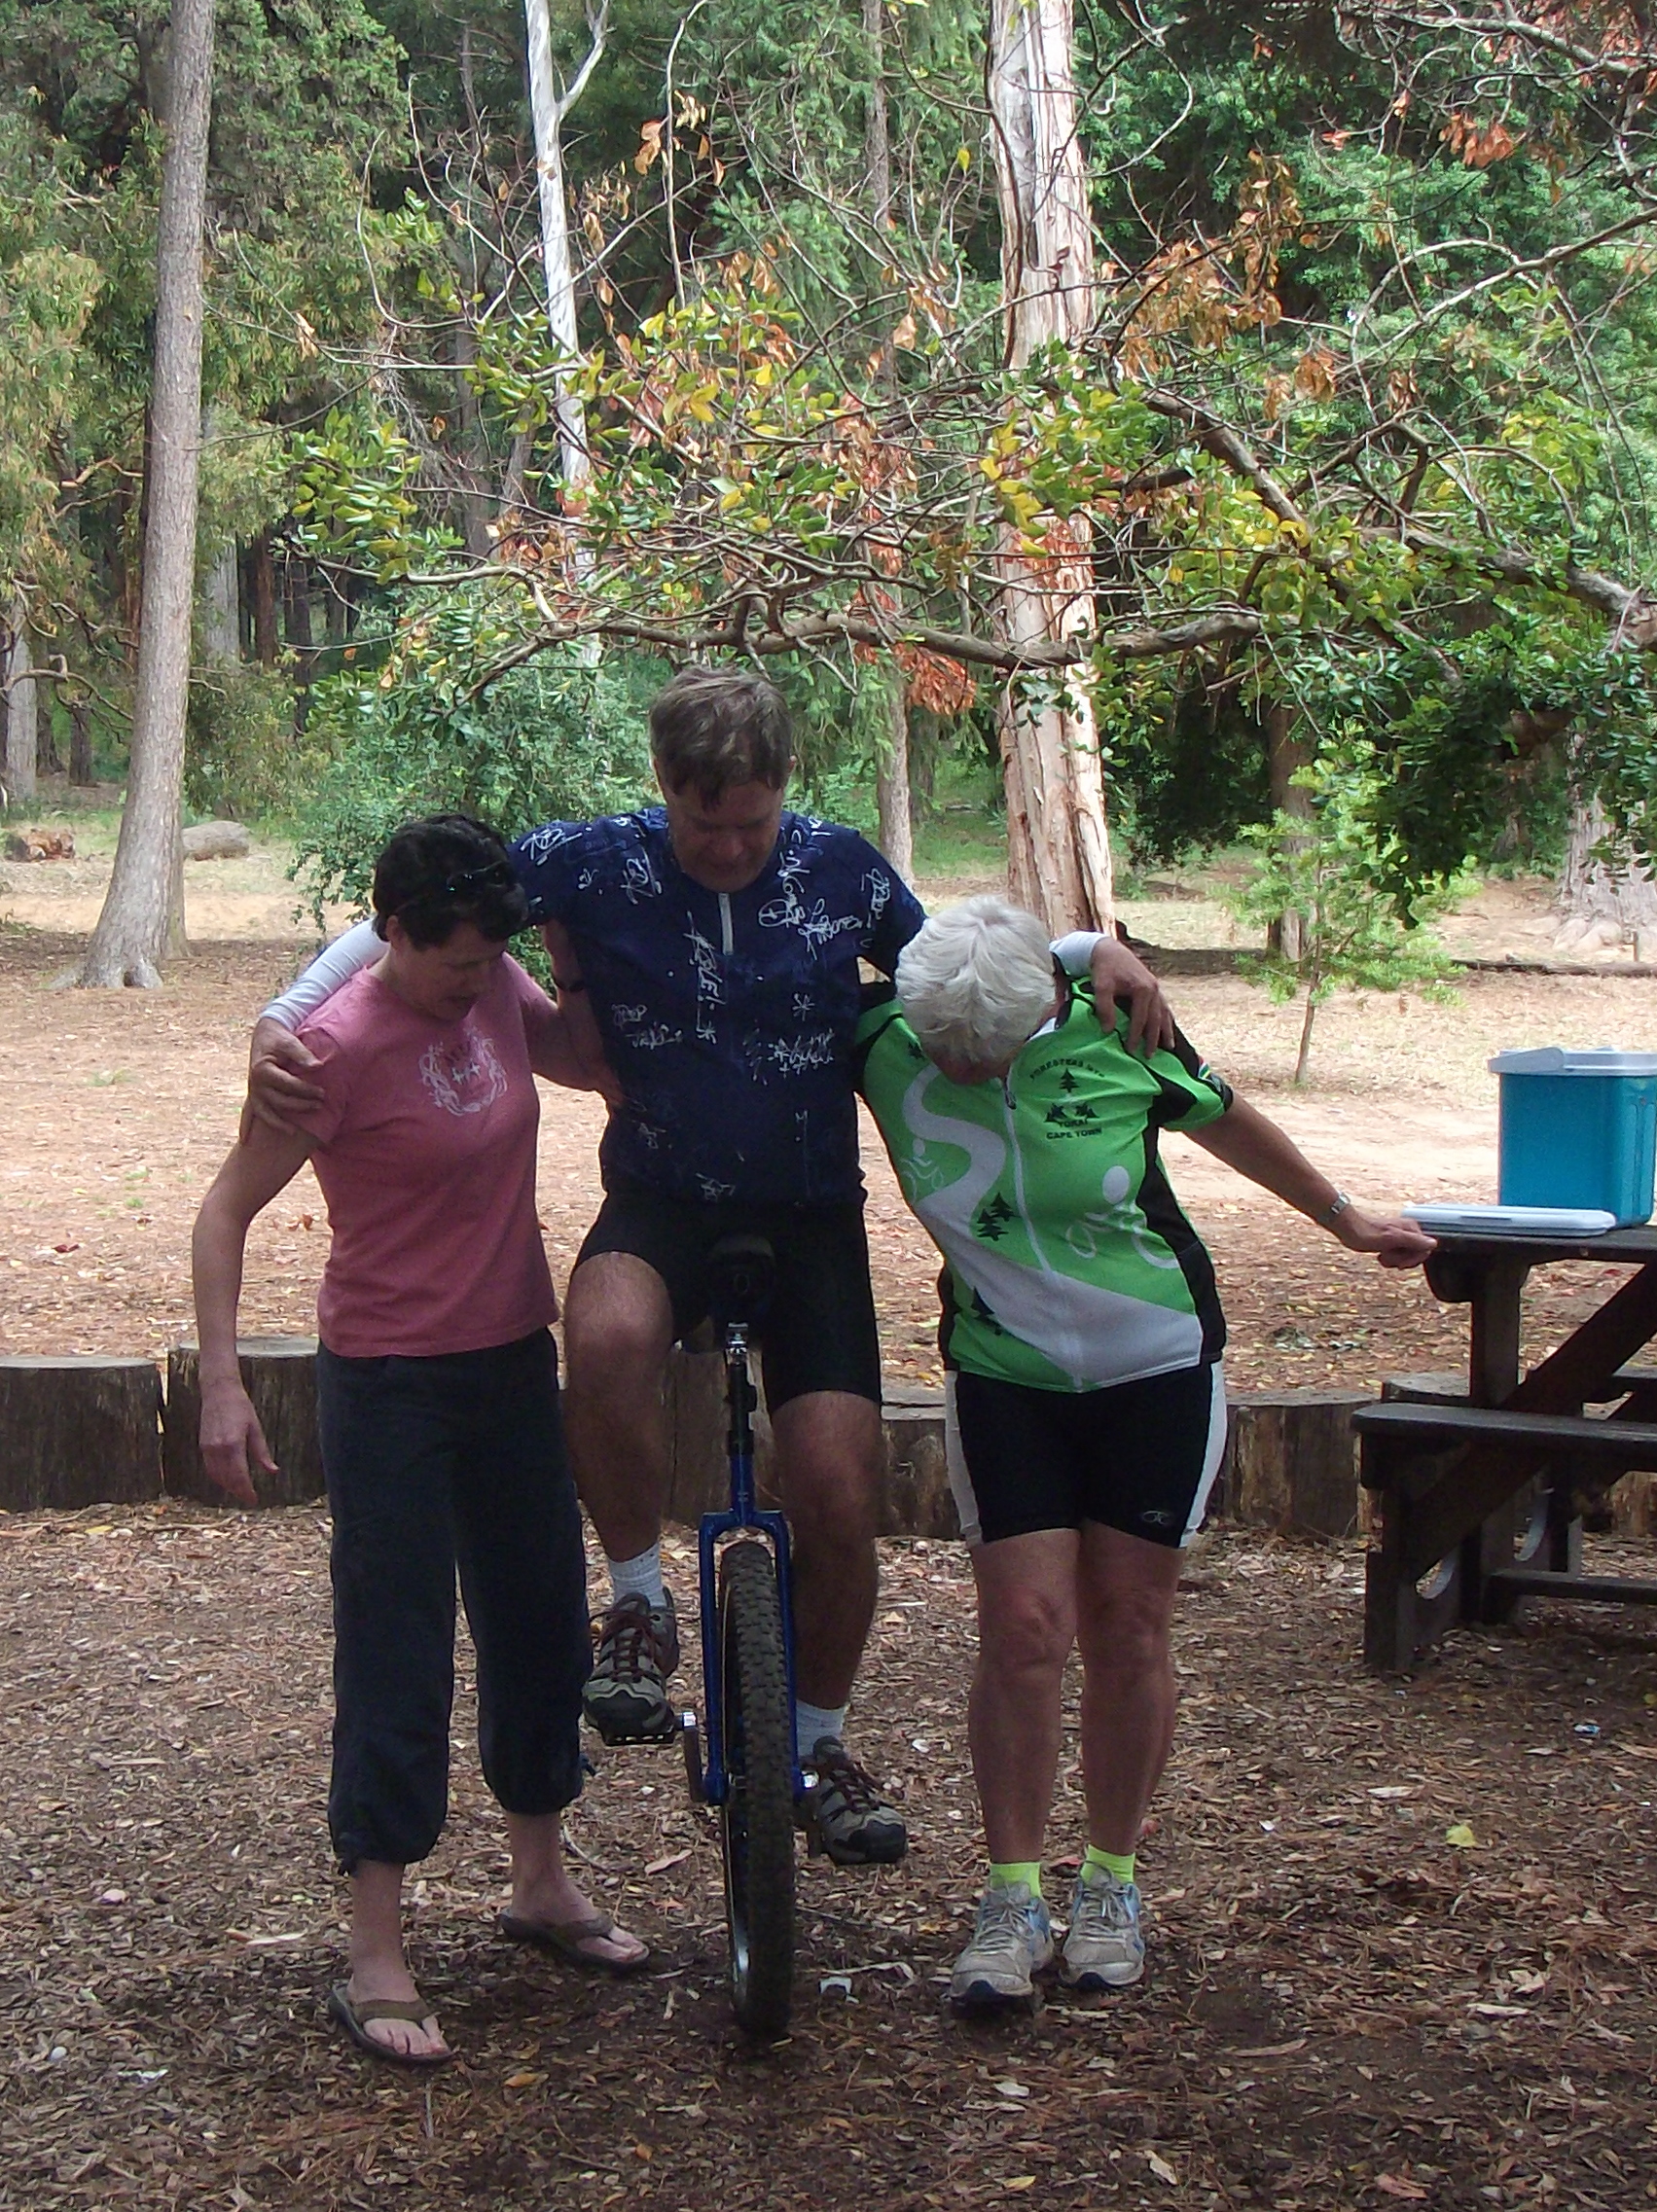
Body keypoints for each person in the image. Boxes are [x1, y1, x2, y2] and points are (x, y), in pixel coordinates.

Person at [247, 667, 1171, 1866]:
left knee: (837, 1487)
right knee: (607, 1334)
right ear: (663, 790)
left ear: (785, 791)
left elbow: (957, 961)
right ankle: (639, 1596)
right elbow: (426, 905)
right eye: (703, 824)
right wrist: (286, 1011)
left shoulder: (840, 869)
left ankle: (819, 1743)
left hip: (810, 1215)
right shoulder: (597, 861)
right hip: (661, 1198)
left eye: (752, 823)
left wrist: (1090, 948)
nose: (729, 847)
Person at [850, 896, 1434, 2009]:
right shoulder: (884, 1035)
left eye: (986, 1049)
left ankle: (1111, 1881)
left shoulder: (1118, 1029)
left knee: (1128, 1622)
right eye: (944, 1049)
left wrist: (1347, 1220)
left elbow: (1228, 1120)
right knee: (1023, 1630)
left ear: (1043, 1010)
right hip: (1006, 1377)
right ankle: (1012, 1898)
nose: (961, 1067)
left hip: (1157, 1367)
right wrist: (1083, 944)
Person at [194, 816, 649, 2068]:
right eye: (453, 962)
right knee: (397, 1648)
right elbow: (224, 1213)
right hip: (389, 1381)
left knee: (540, 1625)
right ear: (389, 933)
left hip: (510, 1360)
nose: (472, 981)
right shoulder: (329, 1051)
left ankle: (540, 1884)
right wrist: (223, 1386)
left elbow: (588, 1065)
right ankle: (375, 1950)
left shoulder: (494, 980)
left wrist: (565, 955)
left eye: (489, 958)